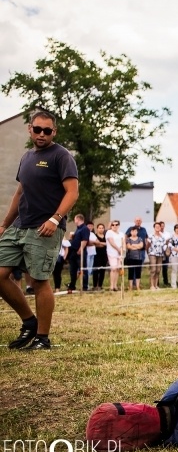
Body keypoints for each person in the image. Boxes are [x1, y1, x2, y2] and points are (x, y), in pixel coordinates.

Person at [0, 110, 78, 350]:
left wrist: (55, 219)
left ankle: (43, 338)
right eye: (37, 129)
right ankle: (29, 322)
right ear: (30, 129)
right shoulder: (26, 157)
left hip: (45, 228)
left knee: (38, 280)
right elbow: (20, 193)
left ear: (54, 132)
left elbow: (72, 192)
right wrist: (5, 224)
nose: (41, 134)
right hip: (20, 226)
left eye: (47, 130)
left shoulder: (61, 156)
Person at [67, 213, 89, 292]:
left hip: (79, 251)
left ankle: (85, 286)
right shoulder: (78, 229)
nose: (74, 221)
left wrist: (81, 249)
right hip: (73, 251)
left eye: (75, 219)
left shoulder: (84, 228)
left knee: (82, 269)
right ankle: (72, 285)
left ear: (78, 219)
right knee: (73, 269)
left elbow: (85, 239)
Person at [106, 221, 125, 291]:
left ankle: (115, 285)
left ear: (118, 225)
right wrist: (118, 249)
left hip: (120, 253)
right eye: (113, 225)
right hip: (112, 252)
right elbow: (111, 242)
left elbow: (123, 242)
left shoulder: (121, 234)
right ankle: (111, 286)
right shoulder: (109, 232)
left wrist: (122, 250)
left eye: (116, 224)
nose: (114, 226)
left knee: (117, 269)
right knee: (113, 268)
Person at [125, 226, 145, 291]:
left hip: (138, 258)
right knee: (130, 272)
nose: (134, 232)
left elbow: (141, 246)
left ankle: (137, 286)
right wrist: (137, 246)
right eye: (133, 231)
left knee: (138, 272)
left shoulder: (140, 238)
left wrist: (133, 245)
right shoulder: (128, 239)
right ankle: (130, 287)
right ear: (130, 232)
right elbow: (128, 247)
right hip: (130, 258)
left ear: (137, 232)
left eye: (135, 231)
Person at [147, 222, 166, 290]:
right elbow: (148, 244)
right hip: (152, 254)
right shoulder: (151, 235)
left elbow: (164, 245)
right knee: (153, 270)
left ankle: (156, 285)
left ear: (161, 227)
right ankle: (151, 285)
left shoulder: (162, 236)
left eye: (159, 226)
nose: (157, 227)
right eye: (156, 226)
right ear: (154, 227)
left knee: (158, 270)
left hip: (160, 254)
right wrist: (148, 252)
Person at [92, 223, 108, 290]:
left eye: (102, 228)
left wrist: (99, 243)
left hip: (104, 255)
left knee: (102, 270)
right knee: (96, 270)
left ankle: (100, 285)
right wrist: (102, 244)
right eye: (100, 228)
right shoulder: (95, 236)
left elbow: (107, 244)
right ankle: (95, 285)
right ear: (97, 229)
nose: (101, 229)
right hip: (96, 255)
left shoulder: (106, 236)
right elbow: (95, 244)